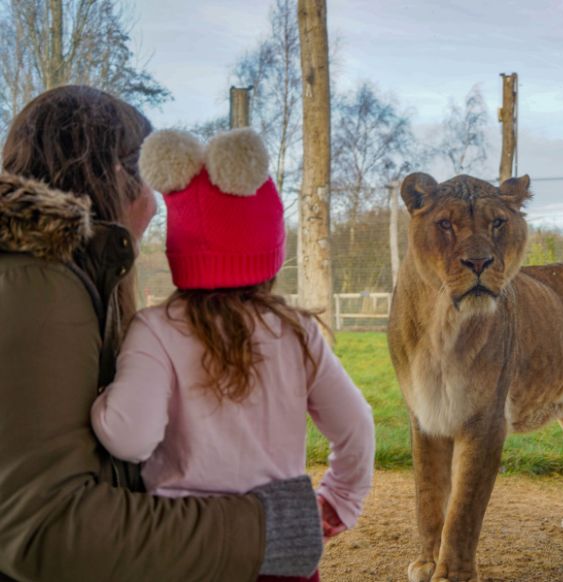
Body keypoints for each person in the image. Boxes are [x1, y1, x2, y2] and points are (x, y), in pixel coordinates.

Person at [0, 86, 324, 581]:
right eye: (150, 179)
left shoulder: (48, 276)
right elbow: (46, 528)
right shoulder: (39, 286)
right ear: (115, 177)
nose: (155, 206)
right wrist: (267, 528)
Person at [89, 127, 376, 582]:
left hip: (183, 548)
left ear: (180, 247)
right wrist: (339, 501)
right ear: (270, 249)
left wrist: (101, 397)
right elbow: (357, 425)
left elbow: (131, 438)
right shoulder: (295, 331)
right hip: (278, 546)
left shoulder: (156, 328)